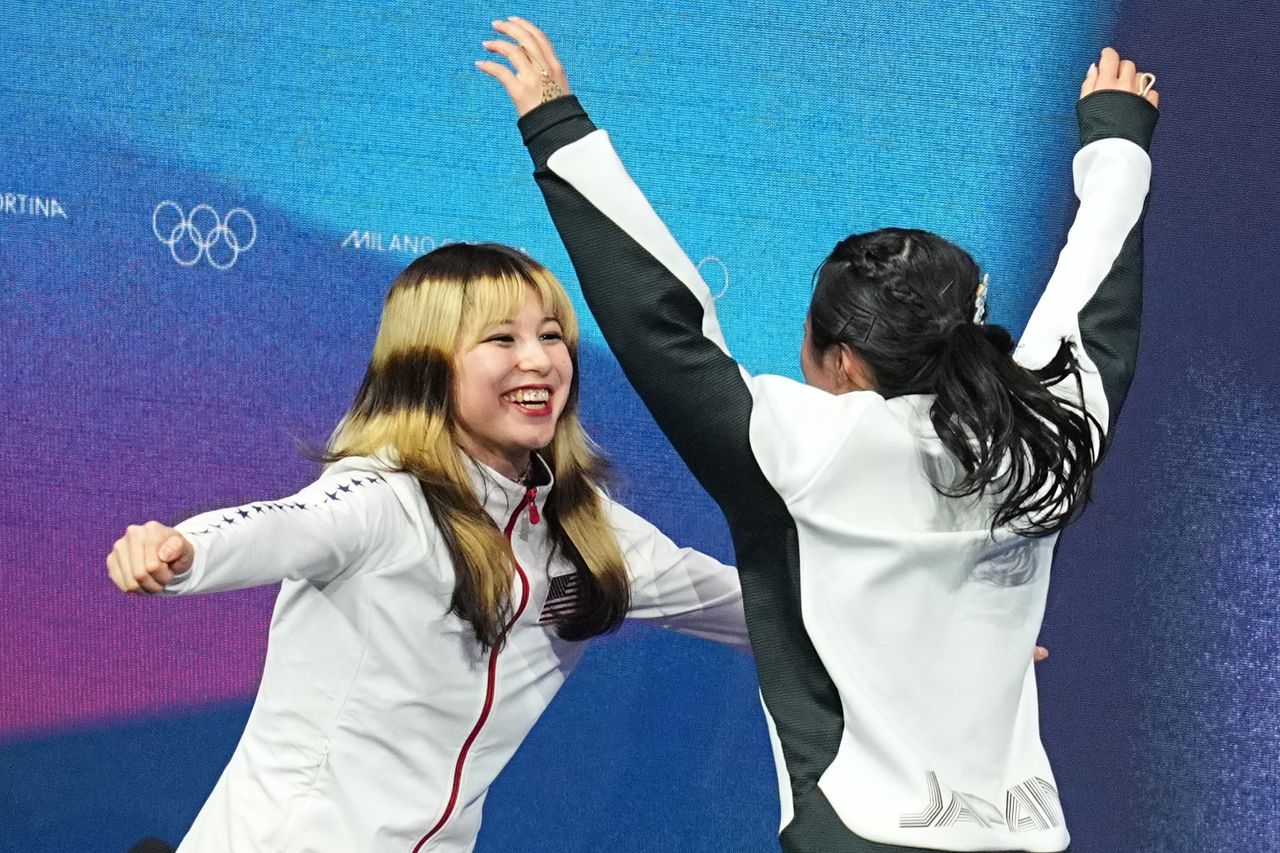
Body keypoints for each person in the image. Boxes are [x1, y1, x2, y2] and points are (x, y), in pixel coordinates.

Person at [481, 20, 1158, 853]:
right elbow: (1092, 306)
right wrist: (1118, 145)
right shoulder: (1047, 437)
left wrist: (557, 124)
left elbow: (660, 320)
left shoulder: (810, 450)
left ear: (842, 359)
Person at [105, 242, 750, 852]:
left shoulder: (584, 523)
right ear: (428, 361)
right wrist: (181, 549)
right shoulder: (383, 497)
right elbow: (282, 526)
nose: (539, 360)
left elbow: (751, 608)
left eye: (551, 335)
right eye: (502, 338)